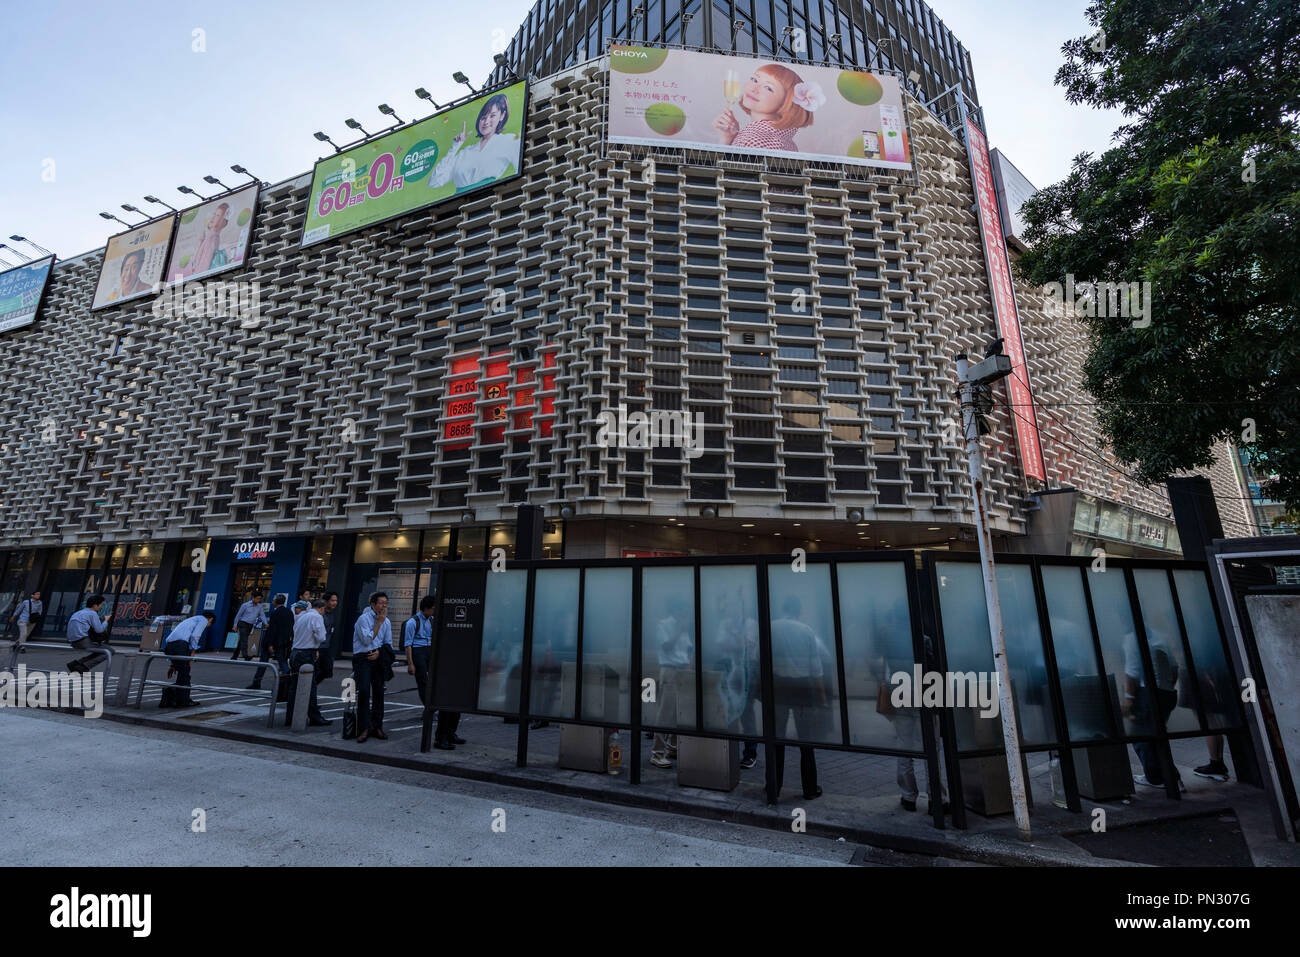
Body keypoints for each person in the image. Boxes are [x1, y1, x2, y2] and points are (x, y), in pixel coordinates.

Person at [768, 595, 825, 800]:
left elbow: (758, 658)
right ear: (799, 610)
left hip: (778, 687)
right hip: (802, 688)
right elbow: (816, 668)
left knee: (776, 739)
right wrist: (821, 697)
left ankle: (774, 785)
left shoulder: (771, 627)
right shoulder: (806, 631)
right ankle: (809, 788)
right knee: (805, 740)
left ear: (783, 608)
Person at [1123, 627, 1185, 792]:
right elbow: (1174, 667)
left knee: (1141, 736)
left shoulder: (1131, 639)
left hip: (1148, 693)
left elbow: (1132, 673)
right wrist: (1167, 688)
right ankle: (1171, 777)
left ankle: (1159, 778)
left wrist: (1129, 700)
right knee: (1156, 734)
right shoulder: (1160, 635)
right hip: (1167, 693)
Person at [712, 64, 820, 152]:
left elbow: (731, 174)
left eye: (768, 88)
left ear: (786, 103)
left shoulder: (753, 139)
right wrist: (728, 138)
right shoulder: (785, 141)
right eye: (754, 80)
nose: (754, 89)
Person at [428, 94, 519, 193]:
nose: (486, 122)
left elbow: (520, 169)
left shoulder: (508, 140)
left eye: (492, 116)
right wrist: (454, 147)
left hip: (489, 197)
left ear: (502, 115)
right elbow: (434, 181)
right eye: (483, 117)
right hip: (460, 203)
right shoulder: (465, 152)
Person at [650, 597, 693, 769]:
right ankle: (657, 753)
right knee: (665, 714)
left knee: (679, 712)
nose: (686, 614)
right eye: (683, 610)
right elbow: (666, 646)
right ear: (676, 610)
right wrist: (679, 630)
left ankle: (673, 748)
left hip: (683, 671)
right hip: (669, 670)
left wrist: (690, 665)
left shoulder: (684, 627)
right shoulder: (663, 624)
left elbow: (689, 649)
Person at [352, 591, 393, 743]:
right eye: (381, 603)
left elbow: (388, 643)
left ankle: (377, 726)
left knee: (379, 692)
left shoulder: (387, 621)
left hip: (378, 658)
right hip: (363, 658)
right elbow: (366, 640)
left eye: (386, 603)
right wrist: (379, 623)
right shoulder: (363, 619)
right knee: (363, 691)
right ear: (373, 604)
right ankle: (364, 727)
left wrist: (380, 653)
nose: (384, 606)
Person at [286, 600, 330, 727]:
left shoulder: (302, 617)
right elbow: (321, 637)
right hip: (306, 653)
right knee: (310, 686)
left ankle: (290, 717)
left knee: (294, 687)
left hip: (295, 652)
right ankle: (315, 717)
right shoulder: (316, 617)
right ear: (321, 608)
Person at [163, 612, 216, 706]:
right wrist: (192, 653)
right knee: (185, 674)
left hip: (169, 646)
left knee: (182, 673)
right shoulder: (203, 620)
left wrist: (172, 664)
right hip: (180, 646)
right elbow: (195, 636)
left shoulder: (190, 620)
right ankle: (182, 701)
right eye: (210, 624)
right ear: (210, 619)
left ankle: (172, 698)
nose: (207, 626)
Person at [248, 594, 292, 690]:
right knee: (282, 661)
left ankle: (257, 682)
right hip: (283, 642)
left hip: (272, 642)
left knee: (263, 662)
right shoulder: (289, 612)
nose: (272, 602)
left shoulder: (275, 613)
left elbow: (273, 629)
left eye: (273, 600)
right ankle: (286, 681)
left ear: (276, 602)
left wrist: (270, 643)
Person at [66, 595, 112, 673]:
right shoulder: (92, 613)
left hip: (72, 641)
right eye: (101, 605)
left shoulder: (79, 612)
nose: (101, 607)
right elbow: (99, 630)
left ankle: (77, 664)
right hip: (82, 641)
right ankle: (83, 666)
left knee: (101, 650)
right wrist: (106, 621)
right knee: (110, 651)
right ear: (95, 605)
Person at [230, 591, 266, 661]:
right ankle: (245, 655)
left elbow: (262, 615)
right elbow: (238, 616)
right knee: (244, 639)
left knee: (242, 640)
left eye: (260, 599)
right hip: (243, 623)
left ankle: (234, 656)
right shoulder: (245, 605)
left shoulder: (259, 606)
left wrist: (266, 623)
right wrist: (235, 625)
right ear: (253, 598)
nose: (259, 600)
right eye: (258, 599)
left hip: (250, 625)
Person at [316, 591, 339, 683]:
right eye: (332, 600)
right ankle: (308, 692)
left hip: (327, 647)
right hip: (318, 647)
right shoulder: (320, 614)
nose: (335, 603)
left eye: (336, 600)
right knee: (315, 671)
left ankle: (310, 688)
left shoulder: (331, 614)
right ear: (325, 601)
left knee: (327, 671)